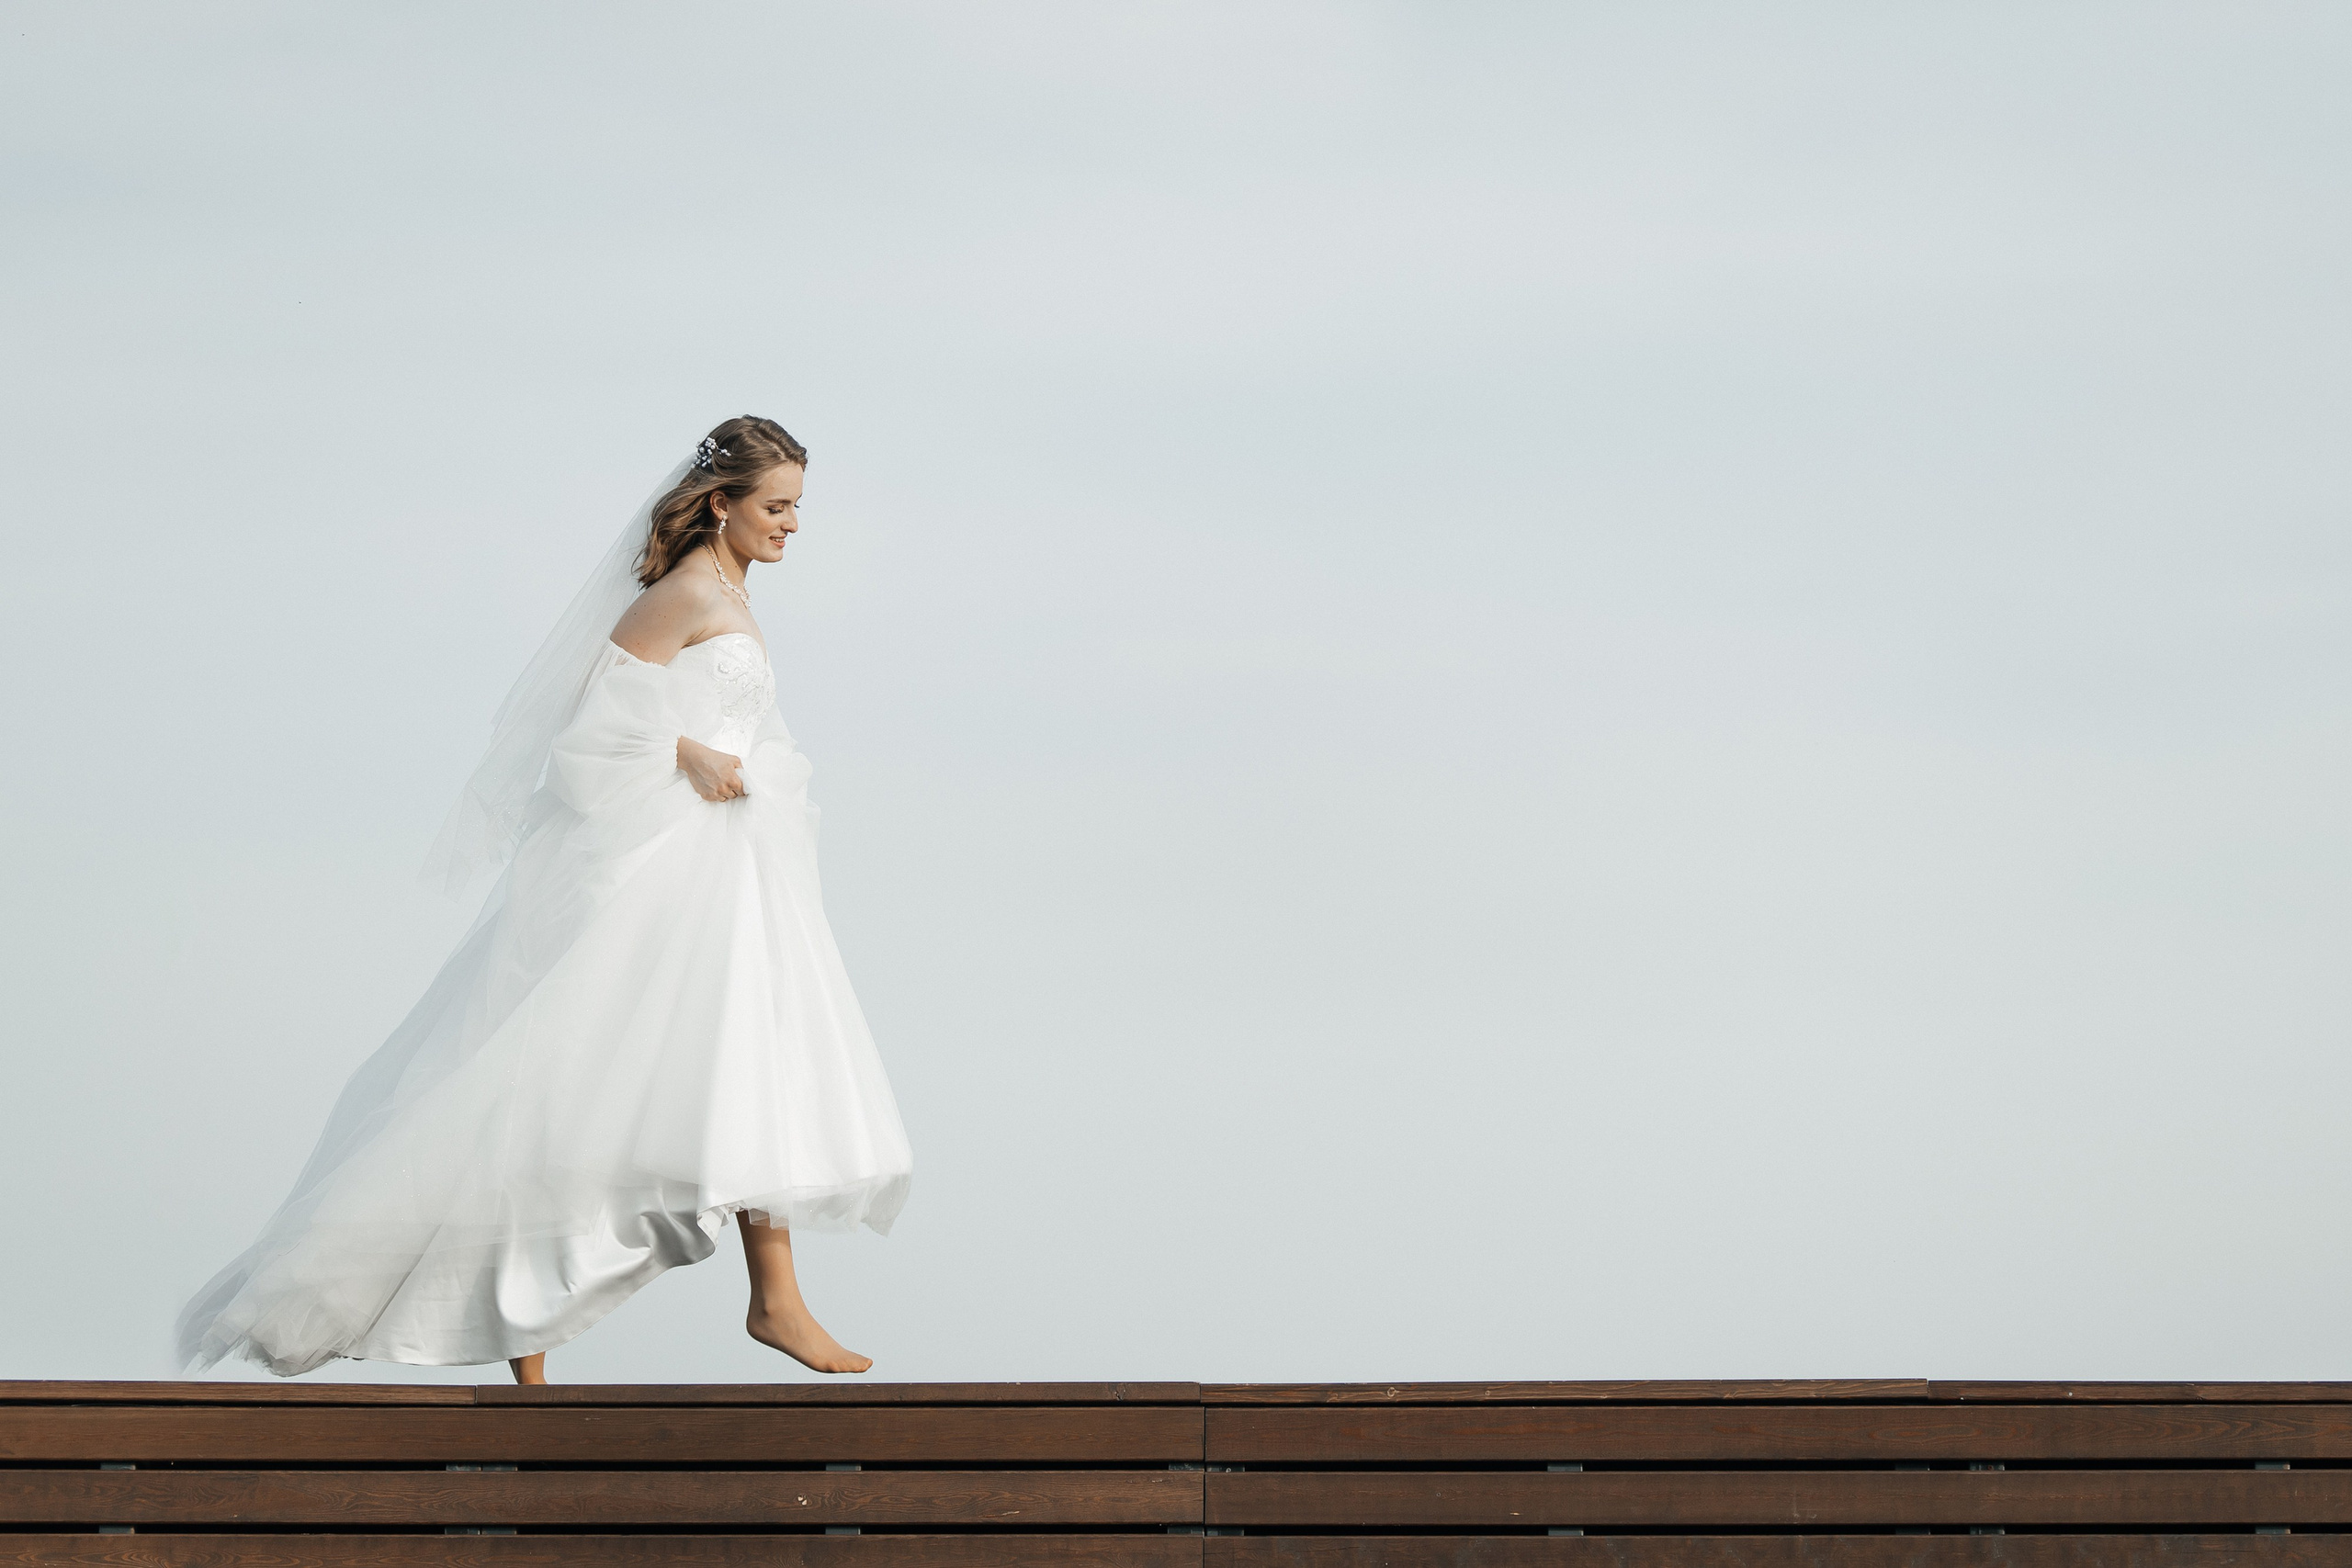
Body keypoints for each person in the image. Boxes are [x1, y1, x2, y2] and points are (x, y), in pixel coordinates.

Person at [176, 417, 913, 1383]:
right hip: (661, 870)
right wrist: (680, 749)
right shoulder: (686, 592)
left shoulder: (730, 592)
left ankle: (771, 1299)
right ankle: (560, 1332)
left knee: (742, 1066)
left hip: (726, 867)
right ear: (721, 502)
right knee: (569, 1085)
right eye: (776, 506)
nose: (790, 525)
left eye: (797, 509)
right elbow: (583, 725)